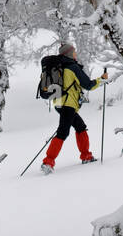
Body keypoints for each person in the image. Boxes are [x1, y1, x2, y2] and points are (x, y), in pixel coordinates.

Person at [41, 41, 108, 173]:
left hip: (59, 104)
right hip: (68, 105)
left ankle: (86, 155)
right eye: (74, 52)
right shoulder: (72, 67)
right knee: (63, 132)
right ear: (70, 53)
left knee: (80, 126)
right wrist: (101, 80)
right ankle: (48, 162)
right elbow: (88, 85)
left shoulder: (59, 66)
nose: (76, 54)